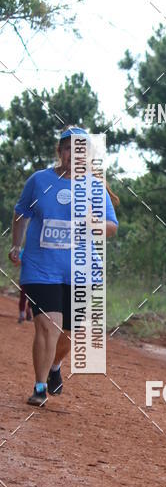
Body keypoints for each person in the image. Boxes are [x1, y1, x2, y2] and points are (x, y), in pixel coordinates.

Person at [8, 127, 119, 406]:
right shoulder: (39, 181)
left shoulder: (95, 187)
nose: (74, 154)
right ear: (60, 152)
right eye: (69, 148)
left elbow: (112, 226)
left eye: (81, 149)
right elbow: (21, 212)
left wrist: (94, 222)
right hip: (41, 267)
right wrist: (15, 244)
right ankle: (40, 385)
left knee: (69, 332)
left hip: (81, 271)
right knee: (48, 325)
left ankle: (55, 366)